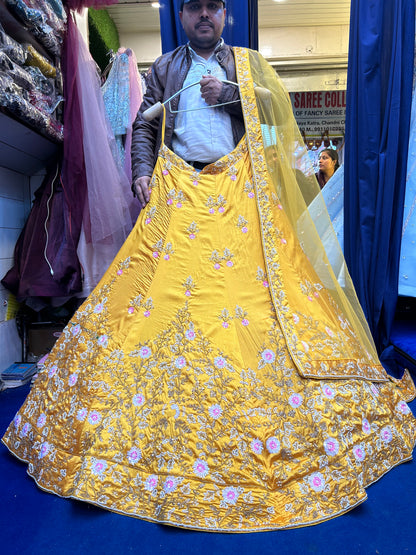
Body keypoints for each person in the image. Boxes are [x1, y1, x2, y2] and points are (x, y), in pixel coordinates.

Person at [2, 0, 416, 533]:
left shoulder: (244, 63)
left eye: (212, 8)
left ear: (226, 16)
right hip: (176, 193)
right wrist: (142, 174)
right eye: (194, 7)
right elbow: (145, 127)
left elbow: (274, 116)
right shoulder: (165, 68)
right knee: (150, 303)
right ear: (185, 16)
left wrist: (234, 94)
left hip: (239, 197)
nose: (203, 16)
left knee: (254, 302)